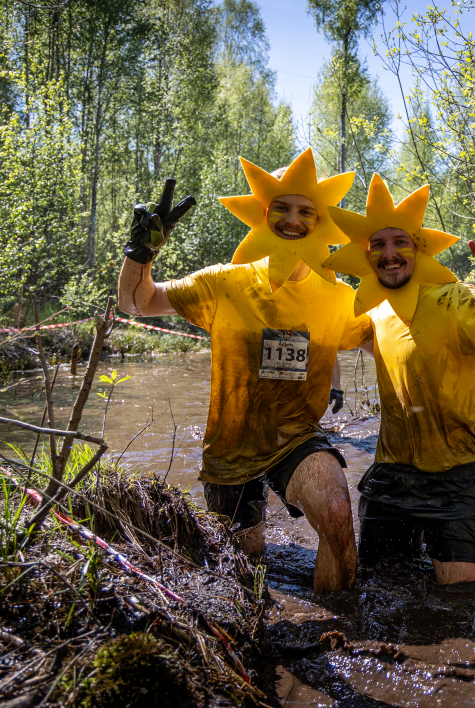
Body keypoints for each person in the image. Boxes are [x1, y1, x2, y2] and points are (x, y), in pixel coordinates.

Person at [116, 149, 371, 593]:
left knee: (335, 512)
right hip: (230, 450)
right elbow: (137, 303)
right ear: (261, 213)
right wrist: (141, 252)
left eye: (305, 211)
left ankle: (340, 632)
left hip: (296, 437)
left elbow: (388, 335)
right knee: (244, 569)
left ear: (320, 221)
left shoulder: (338, 295)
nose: (293, 220)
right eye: (282, 208)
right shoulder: (223, 282)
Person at [324, 175, 475, 584]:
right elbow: (314, 331)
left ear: (420, 249)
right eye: (378, 244)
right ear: (366, 255)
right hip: (390, 477)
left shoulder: (459, 301)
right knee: (377, 590)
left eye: (401, 243)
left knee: (459, 600)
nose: (389, 254)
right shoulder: (374, 311)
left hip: (454, 480)